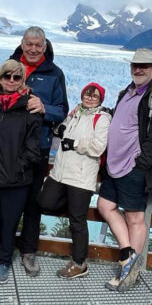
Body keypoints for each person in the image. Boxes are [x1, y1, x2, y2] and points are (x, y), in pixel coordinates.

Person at [98, 48, 152, 292]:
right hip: (114, 165)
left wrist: (141, 163)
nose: (138, 70)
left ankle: (130, 271)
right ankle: (128, 254)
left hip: (133, 167)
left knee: (135, 217)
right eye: (135, 65)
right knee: (105, 206)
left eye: (144, 66)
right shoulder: (126, 92)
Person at [0, 59, 42, 284]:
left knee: (9, 221)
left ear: (22, 81)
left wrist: (18, 167)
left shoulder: (30, 108)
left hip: (15, 179)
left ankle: (3, 261)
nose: (11, 81)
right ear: (0, 78)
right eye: (7, 76)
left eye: (16, 77)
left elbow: (34, 147)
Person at [9, 26, 69, 277]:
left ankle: (28, 250)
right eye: (29, 44)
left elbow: (62, 110)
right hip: (9, 146)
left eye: (38, 45)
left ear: (44, 47)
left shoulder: (54, 74)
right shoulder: (10, 68)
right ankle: (3, 247)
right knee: (7, 198)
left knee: (33, 201)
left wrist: (44, 107)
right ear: (22, 44)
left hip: (39, 147)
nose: (33, 49)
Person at [37, 82, 111, 279]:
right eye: (87, 94)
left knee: (77, 221)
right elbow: (64, 129)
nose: (89, 98)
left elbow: (98, 147)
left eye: (94, 96)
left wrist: (75, 144)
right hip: (60, 172)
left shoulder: (102, 119)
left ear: (100, 99)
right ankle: (72, 206)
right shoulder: (76, 112)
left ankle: (79, 263)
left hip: (81, 176)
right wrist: (61, 127)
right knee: (44, 202)